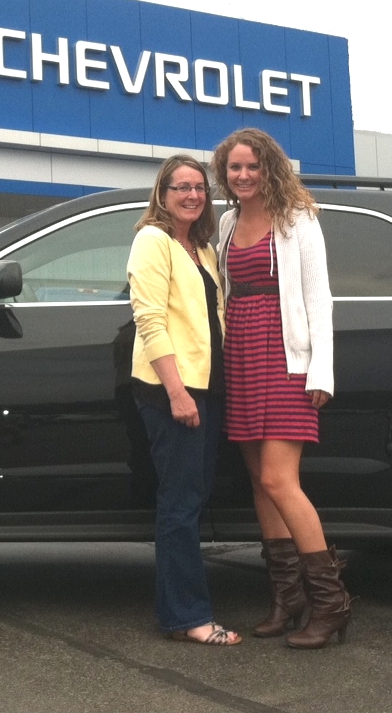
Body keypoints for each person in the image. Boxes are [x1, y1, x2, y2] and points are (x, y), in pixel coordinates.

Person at [210, 127, 351, 649]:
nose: (243, 176)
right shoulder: (226, 222)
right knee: (258, 481)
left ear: (270, 168)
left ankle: (331, 605)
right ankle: (287, 599)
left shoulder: (298, 219)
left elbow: (320, 298)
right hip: (240, 354)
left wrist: (322, 372)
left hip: (287, 356)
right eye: (234, 168)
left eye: (252, 166)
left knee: (278, 479)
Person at [126, 154, 241, 646]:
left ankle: (183, 610)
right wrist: (177, 393)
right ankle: (187, 617)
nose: (192, 195)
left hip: (206, 389)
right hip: (174, 392)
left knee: (190, 500)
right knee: (179, 504)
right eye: (181, 187)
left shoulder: (202, 249)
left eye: (199, 187)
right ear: (162, 193)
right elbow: (148, 321)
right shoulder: (153, 241)